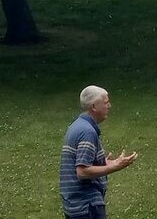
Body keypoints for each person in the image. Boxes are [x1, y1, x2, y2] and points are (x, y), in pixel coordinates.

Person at [60, 85, 137, 219]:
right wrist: (114, 166)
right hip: (86, 206)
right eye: (106, 102)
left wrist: (103, 162)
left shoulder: (76, 126)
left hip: (75, 205)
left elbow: (78, 161)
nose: (109, 106)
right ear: (94, 106)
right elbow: (82, 171)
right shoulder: (87, 132)